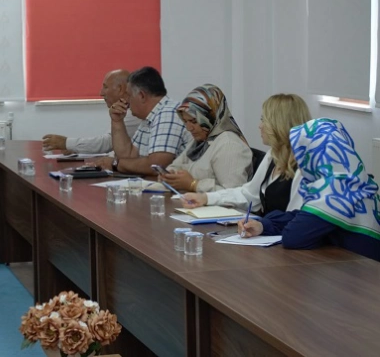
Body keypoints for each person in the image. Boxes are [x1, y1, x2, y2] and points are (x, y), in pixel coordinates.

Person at [239, 118, 380, 261]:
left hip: (365, 270)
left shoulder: (335, 190)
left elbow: (293, 237)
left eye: (302, 152)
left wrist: (318, 236)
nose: (299, 160)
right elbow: (301, 216)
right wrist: (263, 225)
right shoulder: (352, 179)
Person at [183, 93, 312, 214]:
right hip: (265, 227)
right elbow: (249, 195)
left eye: (264, 120)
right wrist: (206, 198)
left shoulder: (304, 166)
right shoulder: (273, 155)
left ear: (279, 124)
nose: (260, 126)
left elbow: (295, 217)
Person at [91, 67, 189, 176]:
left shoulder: (168, 113)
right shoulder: (149, 117)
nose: (126, 100)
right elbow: (127, 156)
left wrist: (115, 163)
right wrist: (117, 121)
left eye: (128, 95)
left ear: (142, 96)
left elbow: (156, 166)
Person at [160, 84, 251, 192]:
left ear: (210, 116)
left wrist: (194, 185)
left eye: (194, 121)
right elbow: (176, 165)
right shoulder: (201, 140)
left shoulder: (229, 145)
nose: (189, 128)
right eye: (185, 121)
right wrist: (169, 175)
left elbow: (234, 194)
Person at [41, 69, 141, 154]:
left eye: (105, 87)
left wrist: (66, 143)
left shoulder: (134, 112)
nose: (101, 93)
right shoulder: (124, 110)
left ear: (120, 89)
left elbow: (107, 143)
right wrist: (76, 149)